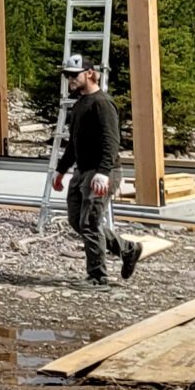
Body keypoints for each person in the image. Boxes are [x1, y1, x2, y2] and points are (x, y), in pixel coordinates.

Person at [52, 54, 141, 286]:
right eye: (68, 75)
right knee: (77, 221)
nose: (70, 79)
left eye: (74, 74)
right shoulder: (81, 103)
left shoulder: (102, 104)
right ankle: (128, 249)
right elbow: (73, 142)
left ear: (89, 73)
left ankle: (97, 277)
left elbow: (111, 141)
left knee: (90, 224)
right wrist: (61, 170)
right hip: (82, 171)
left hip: (103, 172)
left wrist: (103, 172)